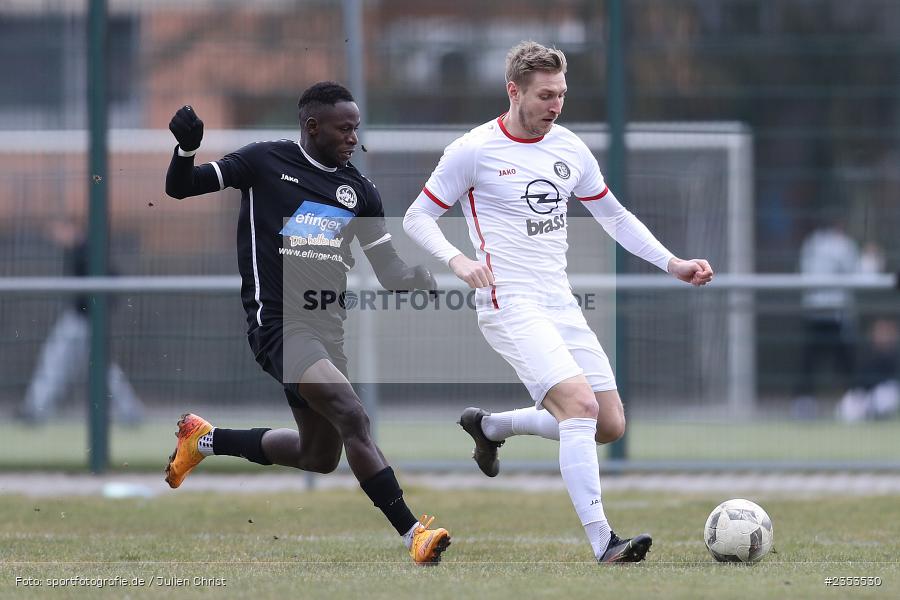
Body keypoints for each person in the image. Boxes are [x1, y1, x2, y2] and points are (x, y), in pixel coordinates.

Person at [403, 41, 713, 564]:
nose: (556, 105)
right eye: (545, 95)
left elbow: (614, 216)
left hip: (559, 302)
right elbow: (417, 217)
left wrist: (672, 263)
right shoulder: (473, 149)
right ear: (514, 91)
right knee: (580, 407)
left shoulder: (569, 148)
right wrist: (458, 262)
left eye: (562, 94)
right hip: (508, 302)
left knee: (609, 424)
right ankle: (604, 542)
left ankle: (492, 426)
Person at [163, 82, 450, 565]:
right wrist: (187, 148)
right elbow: (180, 187)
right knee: (353, 415)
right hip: (277, 324)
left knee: (319, 456)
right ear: (312, 126)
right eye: (344, 128)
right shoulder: (262, 161)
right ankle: (413, 535)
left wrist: (418, 277)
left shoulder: (359, 190)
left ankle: (203, 439)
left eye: (356, 128)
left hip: (326, 331)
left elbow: (388, 269)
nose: (353, 138)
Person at [19, 219, 145, 426]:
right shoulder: (84, 249)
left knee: (92, 367)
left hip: (84, 321)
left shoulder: (87, 249)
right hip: (78, 319)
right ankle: (35, 408)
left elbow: (108, 277)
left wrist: (74, 242)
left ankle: (131, 412)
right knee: (58, 361)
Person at [792, 219, 861, 418]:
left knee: (812, 360)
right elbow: (855, 273)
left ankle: (805, 404)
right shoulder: (844, 245)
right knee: (842, 360)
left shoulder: (811, 242)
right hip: (835, 313)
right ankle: (852, 403)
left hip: (815, 310)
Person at [836, 318, 899, 422]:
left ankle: (874, 414)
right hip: (868, 395)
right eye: (879, 332)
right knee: (848, 406)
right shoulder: (869, 353)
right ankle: (868, 414)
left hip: (887, 393)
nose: (882, 336)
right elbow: (860, 380)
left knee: (887, 395)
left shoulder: (895, 355)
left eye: (886, 332)